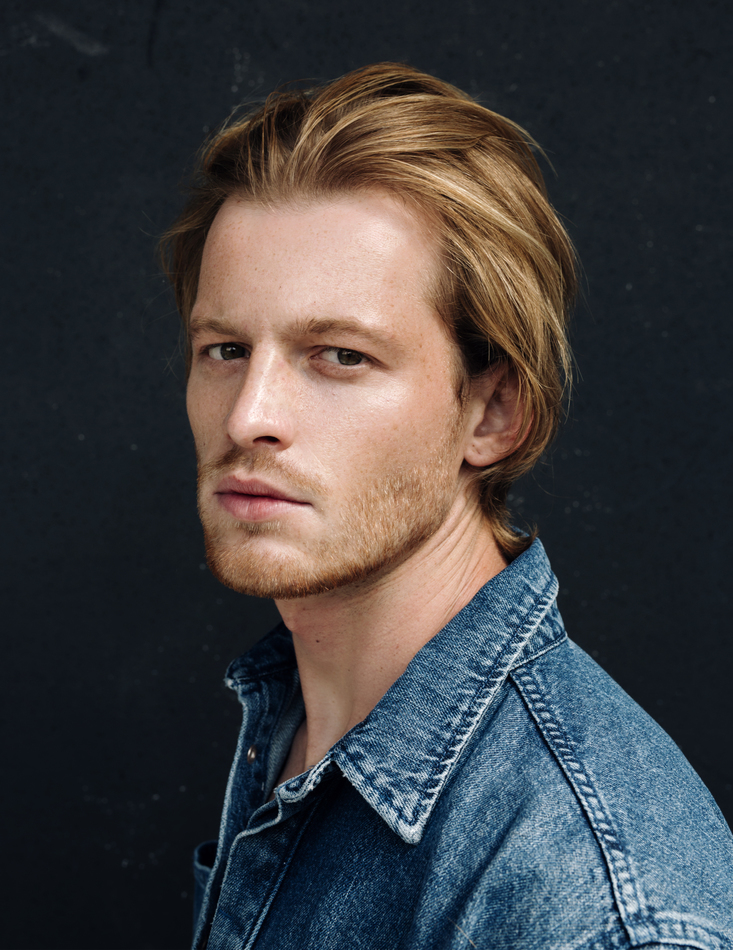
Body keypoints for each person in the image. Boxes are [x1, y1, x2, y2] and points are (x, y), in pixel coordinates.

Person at [161, 63, 733, 950]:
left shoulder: (594, 911)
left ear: (493, 412)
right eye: (225, 349)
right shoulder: (300, 723)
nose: (248, 417)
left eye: (340, 356)